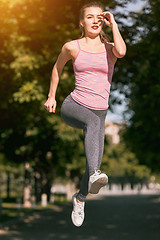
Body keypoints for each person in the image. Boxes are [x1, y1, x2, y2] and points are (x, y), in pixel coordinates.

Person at [44, 1, 126, 227]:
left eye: (99, 17)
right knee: (94, 162)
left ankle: (80, 199)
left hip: (101, 113)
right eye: (90, 17)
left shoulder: (110, 49)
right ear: (82, 22)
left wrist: (114, 24)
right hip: (74, 106)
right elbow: (56, 69)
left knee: (93, 166)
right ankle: (93, 175)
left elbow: (122, 51)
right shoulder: (72, 47)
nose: (95, 21)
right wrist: (52, 96)